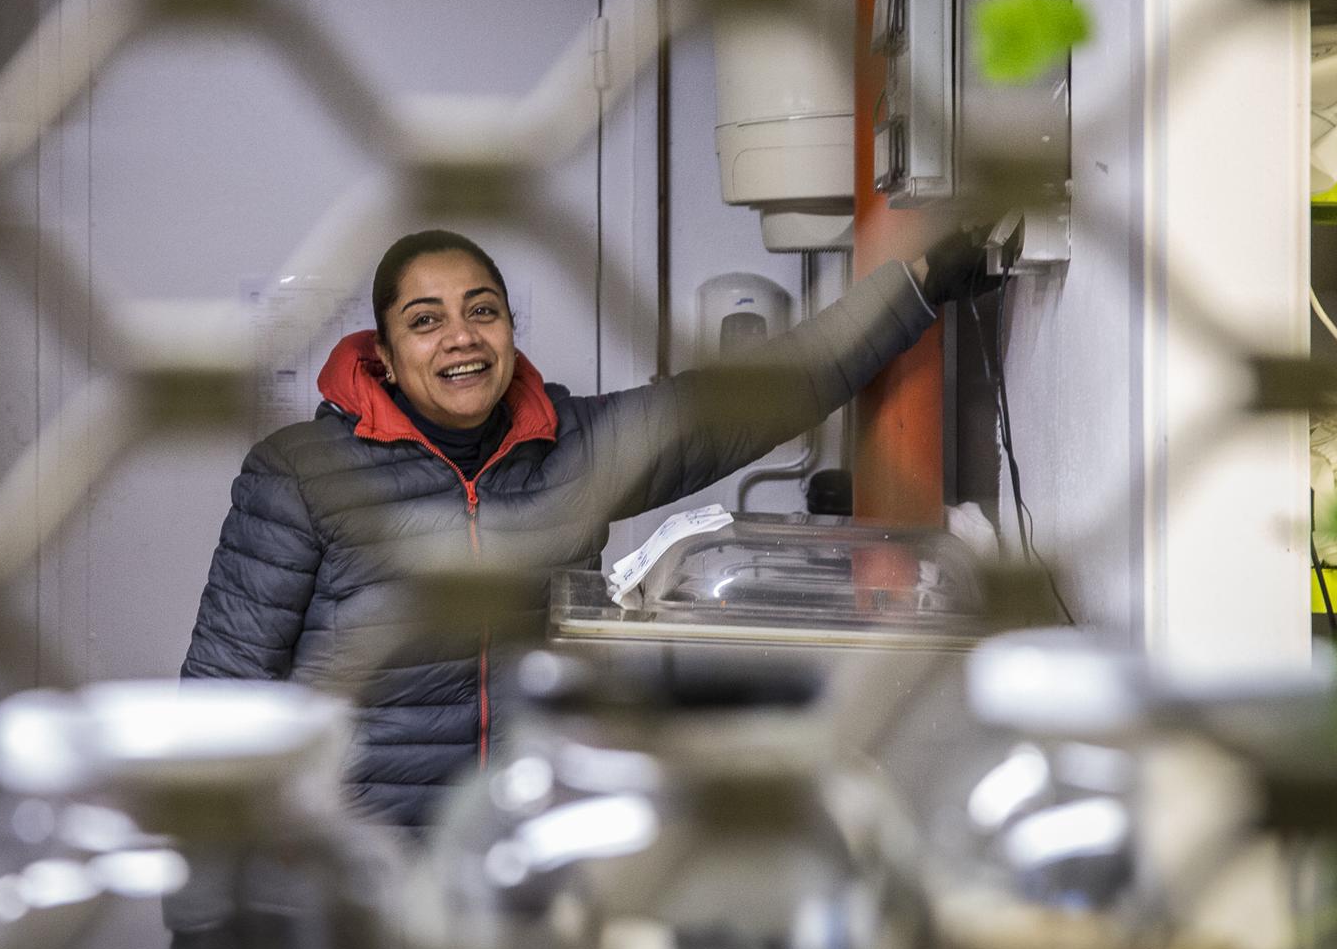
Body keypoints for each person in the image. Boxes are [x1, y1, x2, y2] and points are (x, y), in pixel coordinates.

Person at [182, 227, 984, 829]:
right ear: (384, 356)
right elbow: (222, 694)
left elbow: (763, 395)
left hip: (511, 844)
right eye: (425, 321)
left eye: (482, 311)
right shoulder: (300, 473)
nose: (461, 337)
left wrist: (914, 285)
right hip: (348, 856)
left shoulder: (576, 447)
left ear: (508, 331)